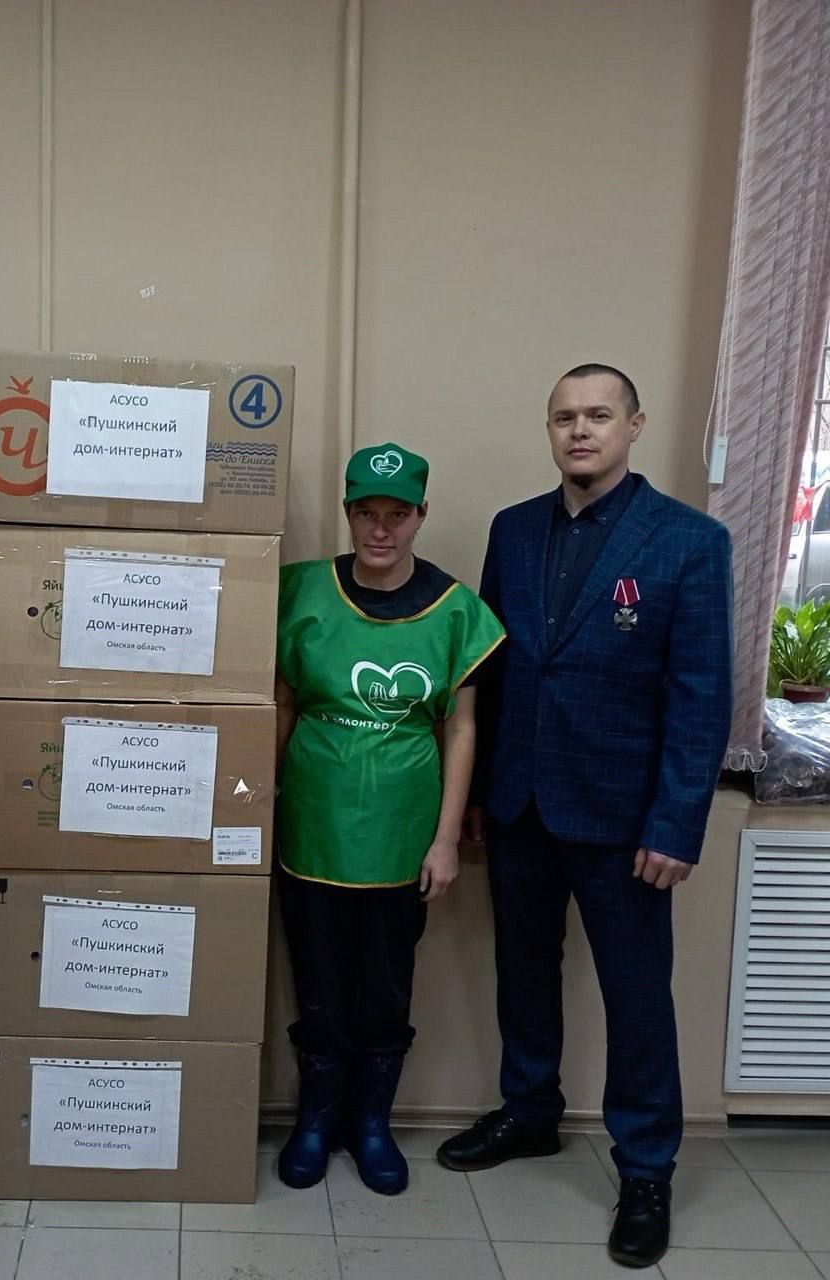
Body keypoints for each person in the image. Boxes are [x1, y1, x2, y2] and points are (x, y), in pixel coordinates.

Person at [436, 365, 733, 1268]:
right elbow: (492, 670)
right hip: (521, 802)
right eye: (564, 417)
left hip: (625, 820)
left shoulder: (689, 541)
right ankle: (530, 1112)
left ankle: (645, 1169)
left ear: (634, 425)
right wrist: (477, 794)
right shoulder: (514, 529)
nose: (580, 430)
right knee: (524, 972)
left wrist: (676, 824)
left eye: (599, 415)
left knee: (637, 997)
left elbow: (701, 695)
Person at [274, 443, 504, 1196]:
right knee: (317, 978)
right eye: (365, 513)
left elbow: (462, 729)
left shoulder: (456, 612)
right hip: (310, 826)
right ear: (347, 514)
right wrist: (254, 803)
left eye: (397, 515)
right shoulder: (301, 593)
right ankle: (317, 1119)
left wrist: (445, 841)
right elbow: (280, 707)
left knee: (385, 983)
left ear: (421, 516)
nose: (381, 530)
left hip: (402, 837)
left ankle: (371, 1123)